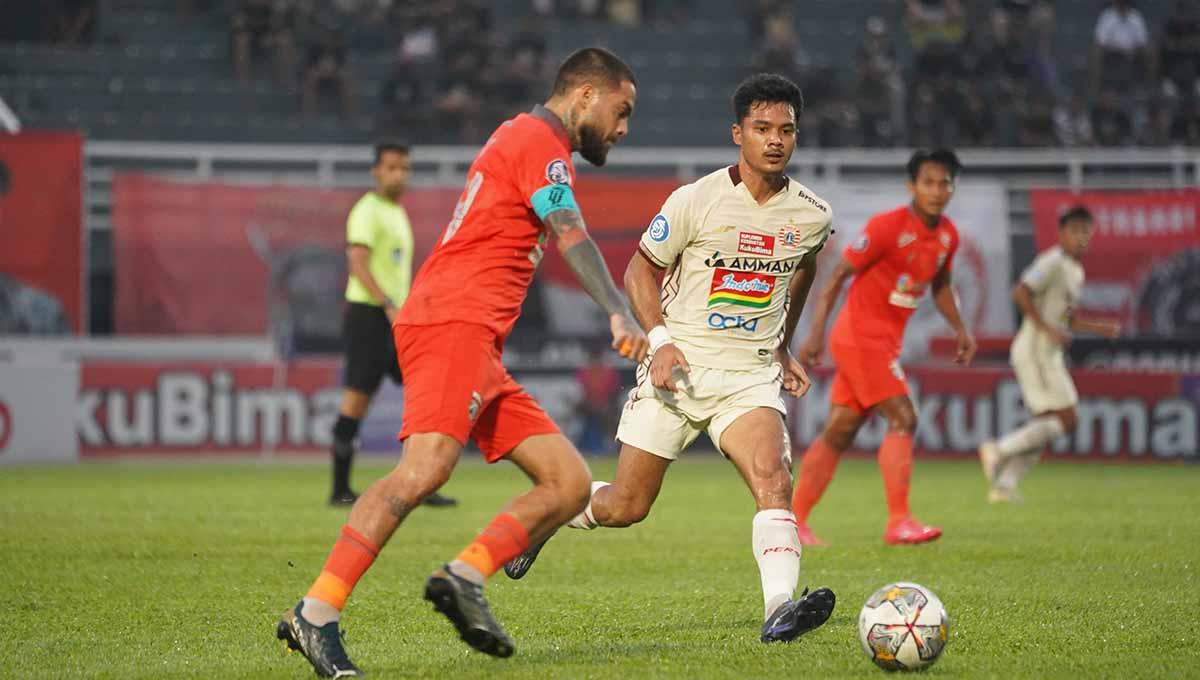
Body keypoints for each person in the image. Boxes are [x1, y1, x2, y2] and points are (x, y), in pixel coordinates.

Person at [275, 47, 648, 677]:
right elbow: (570, 233)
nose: (623, 127)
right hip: (453, 321)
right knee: (423, 470)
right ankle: (316, 612)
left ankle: (463, 574)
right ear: (585, 94)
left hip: (476, 339)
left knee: (569, 483)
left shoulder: (523, 137)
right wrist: (617, 311)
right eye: (621, 110)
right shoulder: (539, 142)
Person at [504, 73, 837, 644]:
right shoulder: (695, 200)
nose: (776, 140)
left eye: (786, 130)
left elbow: (802, 266)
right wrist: (659, 342)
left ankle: (779, 608)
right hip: (677, 370)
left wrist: (782, 344)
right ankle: (550, 517)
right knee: (626, 506)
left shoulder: (812, 215)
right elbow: (640, 269)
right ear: (739, 134)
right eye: (762, 129)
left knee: (774, 480)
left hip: (748, 377)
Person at [790, 148, 977, 546]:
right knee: (904, 417)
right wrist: (815, 333)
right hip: (860, 339)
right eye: (928, 182)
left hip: (883, 345)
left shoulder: (947, 236)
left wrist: (960, 328)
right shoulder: (887, 227)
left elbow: (941, 285)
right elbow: (837, 276)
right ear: (912, 186)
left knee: (839, 432)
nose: (937, 190)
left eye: (945, 183)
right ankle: (899, 521)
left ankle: (794, 523)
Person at [327, 141, 455, 508]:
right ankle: (339, 489)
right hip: (370, 315)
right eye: (392, 167)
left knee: (425, 393)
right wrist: (386, 305)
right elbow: (358, 263)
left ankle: (422, 482)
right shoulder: (367, 211)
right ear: (376, 171)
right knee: (356, 399)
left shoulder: (397, 213)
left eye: (404, 168)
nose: (399, 174)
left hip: (396, 316)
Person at [979, 206, 1120, 502]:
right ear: (1062, 233)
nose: (1081, 237)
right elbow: (1020, 291)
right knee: (1067, 419)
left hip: (1048, 351)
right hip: (1035, 350)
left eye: (1086, 231)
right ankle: (998, 450)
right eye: (1075, 231)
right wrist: (1045, 328)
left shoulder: (1075, 270)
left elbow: (1065, 317)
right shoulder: (1052, 261)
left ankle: (1004, 486)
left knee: (1047, 424)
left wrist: (1097, 327)